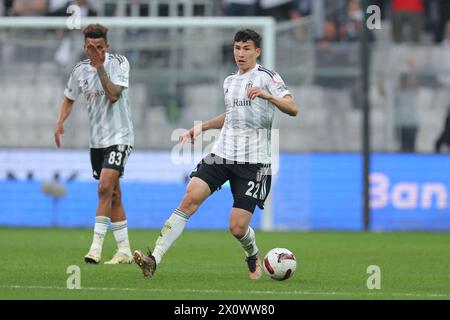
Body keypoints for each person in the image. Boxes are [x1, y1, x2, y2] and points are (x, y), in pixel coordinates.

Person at [133, 29, 299, 280]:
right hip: (222, 154)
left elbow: (293, 108)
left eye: (246, 48)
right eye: (237, 48)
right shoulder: (230, 81)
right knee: (189, 198)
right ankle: (154, 258)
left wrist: (267, 96)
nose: (240, 54)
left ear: (257, 51)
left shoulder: (268, 77)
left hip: (254, 163)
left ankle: (252, 253)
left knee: (237, 227)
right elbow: (231, 116)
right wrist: (201, 127)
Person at [54, 24, 134, 264]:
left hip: (120, 137)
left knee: (103, 188)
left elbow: (113, 95)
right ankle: (124, 250)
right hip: (97, 142)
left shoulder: (119, 63)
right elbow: (69, 99)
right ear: (84, 46)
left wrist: (100, 67)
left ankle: (95, 248)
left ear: (106, 46)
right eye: (90, 47)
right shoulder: (79, 71)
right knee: (114, 194)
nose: (95, 51)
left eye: (99, 47)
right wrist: (60, 122)